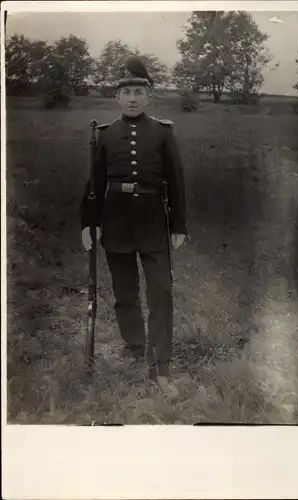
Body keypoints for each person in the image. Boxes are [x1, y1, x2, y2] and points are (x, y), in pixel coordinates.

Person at [80, 54, 187, 395]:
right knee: (125, 293)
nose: (132, 98)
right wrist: (89, 223)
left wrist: (178, 225)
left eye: (138, 92)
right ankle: (134, 348)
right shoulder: (106, 135)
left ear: (149, 95)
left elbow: (177, 180)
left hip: (155, 220)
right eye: (125, 92)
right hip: (116, 220)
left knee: (161, 291)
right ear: (116, 97)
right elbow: (94, 185)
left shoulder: (163, 133)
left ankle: (160, 362)